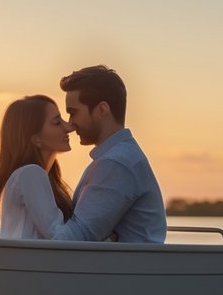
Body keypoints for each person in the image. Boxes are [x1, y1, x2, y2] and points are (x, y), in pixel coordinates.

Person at [49, 65, 166, 243]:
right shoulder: (118, 157)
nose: (71, 124)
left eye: (73, 113)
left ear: (102, 110)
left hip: (127, 269)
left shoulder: (116, 163)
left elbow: (77, 237)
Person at [0, 94, 75, 239]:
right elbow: (56, 233)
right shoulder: (30, 173)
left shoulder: (34, 175)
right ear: (36, 139)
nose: (69, 127)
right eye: (57, 122)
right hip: (24, 261)